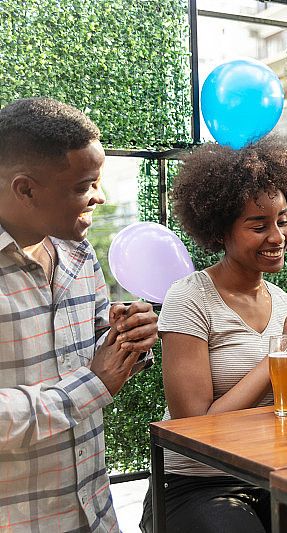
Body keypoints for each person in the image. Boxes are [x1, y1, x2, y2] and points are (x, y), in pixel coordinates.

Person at [139, 137, 287, 533]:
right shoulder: (189, 298)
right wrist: (284, 347)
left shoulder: (283, 299)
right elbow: (196, 429)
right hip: (196, 483)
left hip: (269, 474)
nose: (277, 236)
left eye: (283, 220)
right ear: (220, 232)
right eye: (259, 226)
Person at [0, 97, 159, 531]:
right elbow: (92, 379)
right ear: (26, 189)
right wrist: (94, 383)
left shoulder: (78, 253)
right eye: (83, 185)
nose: (100, 197)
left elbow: (90, 348)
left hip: (96, 515)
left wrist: (126, 335)